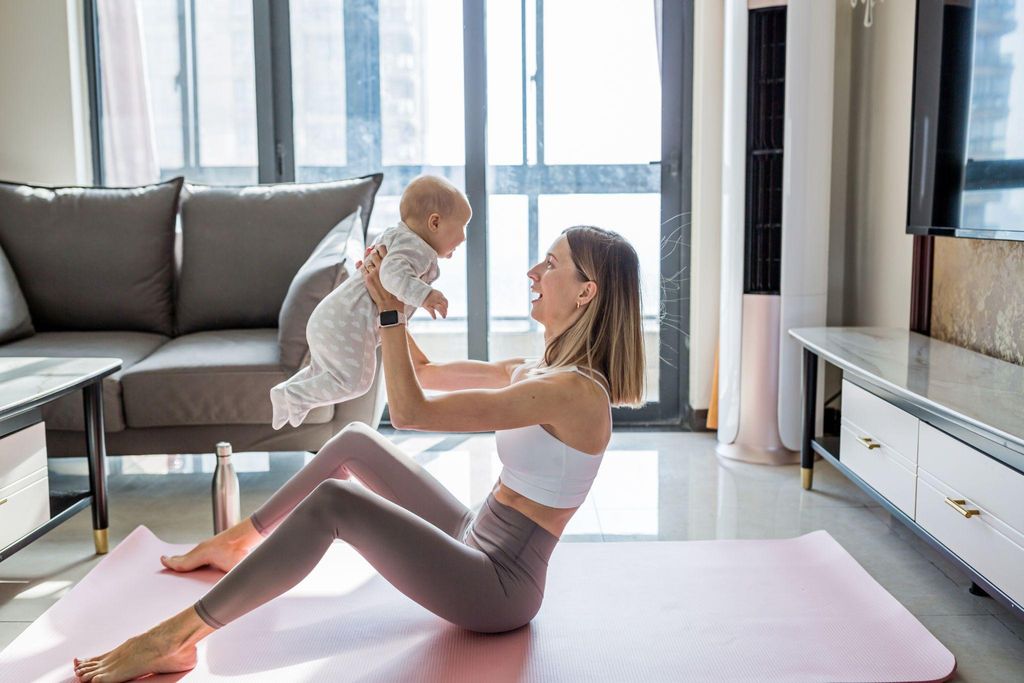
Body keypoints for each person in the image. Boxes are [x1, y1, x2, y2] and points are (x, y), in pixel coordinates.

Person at [72, 225, 645, 682]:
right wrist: (383, 297)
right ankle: (239, 538)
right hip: (473, 532)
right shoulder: (537, 369)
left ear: (586, 291)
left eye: (550, 263)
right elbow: (423, 372)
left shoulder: (573, 393)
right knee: (355, 442)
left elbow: (414, 411)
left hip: (498, 587)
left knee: (334, 504)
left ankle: (173, 638)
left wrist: (392, 314)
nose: (533, 271)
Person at [270, 174, 470, 430]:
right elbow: (391, 275)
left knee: (324, 374)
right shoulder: (416, 247)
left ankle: (291, 395)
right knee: (357, 382)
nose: (464, 237)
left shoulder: (399, 238)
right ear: (434, 222)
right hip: (341, 323)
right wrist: (425, 295)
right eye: (462, 225)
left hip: (331, 321)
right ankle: (293, 396)